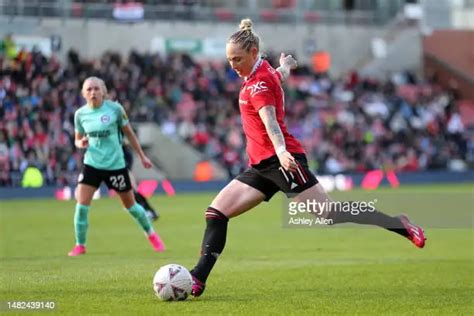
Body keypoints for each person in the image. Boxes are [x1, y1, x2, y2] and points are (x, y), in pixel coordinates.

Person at [189, 19, 426, 297]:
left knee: (328, 213)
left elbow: (271, 123)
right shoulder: (262, 70)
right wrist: (286, 67)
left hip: (282, 161)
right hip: (261, 166)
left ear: (253, 52)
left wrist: (281, 153)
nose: (232, 65)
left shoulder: (258, 85)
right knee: (216, 213)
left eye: (237, 59)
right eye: (229, 59)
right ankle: (198, 277)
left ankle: (398, 223)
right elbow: (277, 76)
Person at [68, 76, 165, 257]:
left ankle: (152, 236)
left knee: (131, 206)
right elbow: (77, 140)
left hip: (115, 165)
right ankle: (80, 245)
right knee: (81, 206)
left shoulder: (115, 110)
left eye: (96, 88)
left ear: (103, 91)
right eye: (89, 89)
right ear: (83, 93)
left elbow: (130, 134)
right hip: (92, 165)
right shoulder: (80, 115)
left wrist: (142, 157)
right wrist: (81, 143)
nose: (93, 92)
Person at [122, 142, 160, 221]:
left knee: (132, 189)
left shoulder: (122, 144)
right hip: (122, 162)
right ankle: (149, 211)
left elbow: (126, 144)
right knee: (130, 190)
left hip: (124, 162)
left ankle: (149, 211)